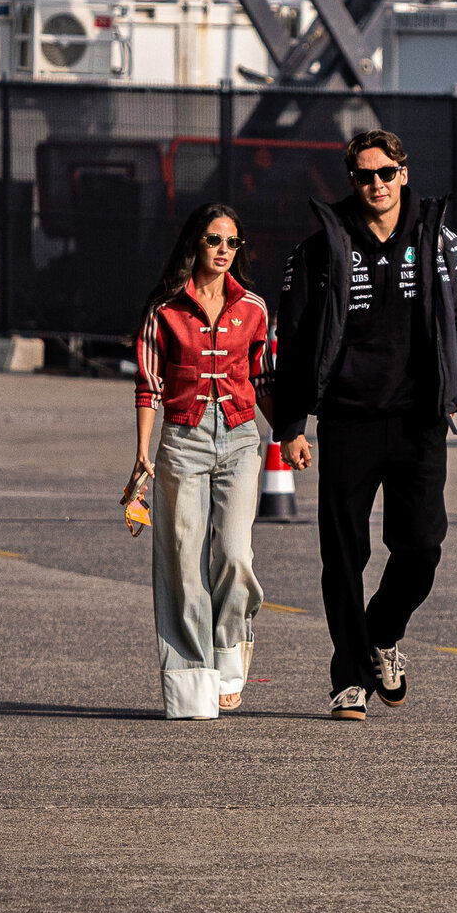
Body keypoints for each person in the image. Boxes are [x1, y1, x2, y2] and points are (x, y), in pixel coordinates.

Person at [273, 129, 457, 720]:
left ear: (404, 173)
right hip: (348, 419)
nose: (377, 185)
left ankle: (381, 634)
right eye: (365, 176)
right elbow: (294, 341)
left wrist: (454, 391)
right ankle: (349, 677)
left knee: (422, 549)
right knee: (343, 555)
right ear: (352, 181)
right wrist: (290, 425)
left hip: (419, 419)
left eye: (386, 173)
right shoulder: (320, 248)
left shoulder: (440, 240)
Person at [126, 203, 269, 720]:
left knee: (233, 553)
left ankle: (229, 656)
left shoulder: (253, 307)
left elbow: (263, 378)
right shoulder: (164, 309)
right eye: (214, 240)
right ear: (196, 244)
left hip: (239, 439)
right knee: (184, 561)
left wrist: (290, 437)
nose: (224, 251)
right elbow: (148, 386)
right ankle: (191, 683)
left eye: (233, 242)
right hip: (181, 441)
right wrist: (143, 454)